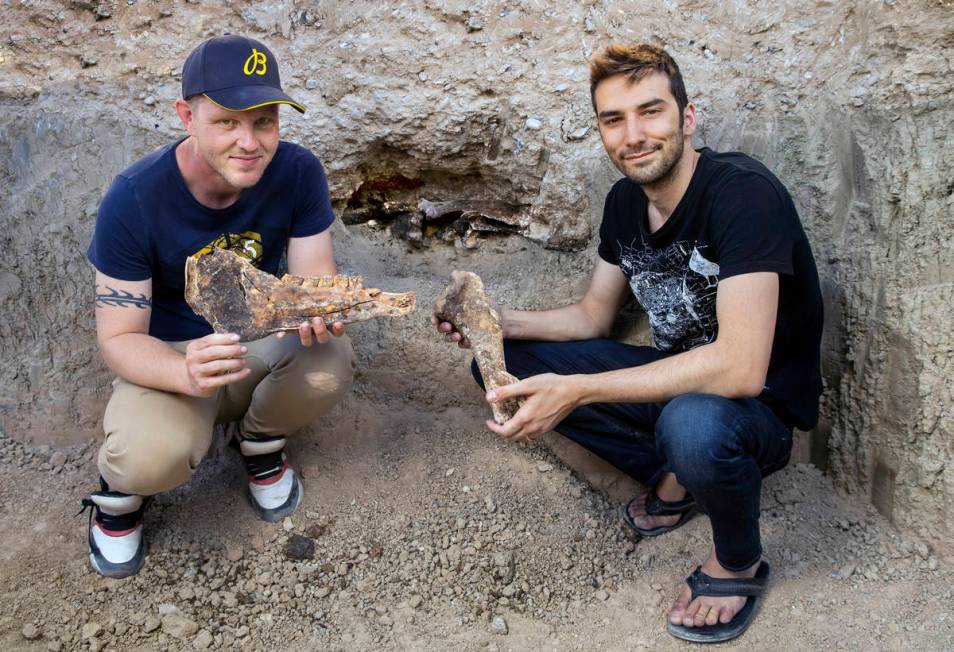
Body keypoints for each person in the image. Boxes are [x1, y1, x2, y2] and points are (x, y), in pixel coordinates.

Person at [433, 44, 823, 643]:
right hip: (671, 381)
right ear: (601, 130)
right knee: (498, 371)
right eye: (614, 120)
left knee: (695, 427)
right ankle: (680, 474)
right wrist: (495, 323)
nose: (634, 135)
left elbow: (742, 369)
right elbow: (593, 318)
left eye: (651, 112)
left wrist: (580, 390)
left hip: (754, 412)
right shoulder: (624, 203)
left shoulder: (742, 195)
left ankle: (738, 561)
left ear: (687, 119)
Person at [83, 35, 355, 578]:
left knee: (330, 360)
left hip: (254, 331)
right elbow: (119, 338)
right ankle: (121, 497)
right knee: (149, 457)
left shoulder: (298, 172)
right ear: (188, 115)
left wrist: (320, 307)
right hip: (169, 351)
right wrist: (183, 371)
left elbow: (311, 280)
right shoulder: (134, 197)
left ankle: (258, 443)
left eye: (265, 121)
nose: (250, 142)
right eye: (228, 121)